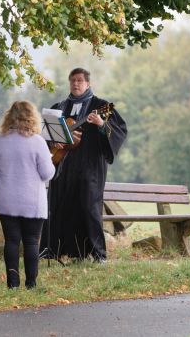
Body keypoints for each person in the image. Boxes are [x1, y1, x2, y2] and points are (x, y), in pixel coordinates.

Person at [44, 68, 128, 263]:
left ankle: (98, 254)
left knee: (89, 208)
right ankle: (66, 252)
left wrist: (100, 124)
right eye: (72, 80)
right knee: (63, 207)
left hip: (90, 166)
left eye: (80, 80)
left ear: (88, 84)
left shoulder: (102, 106)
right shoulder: (59, 107)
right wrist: (54, 142)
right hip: (64, 167)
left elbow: (119, 131)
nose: (75, 83)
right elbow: (48, 135)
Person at [0, 101, 55, 288]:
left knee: (12, 241)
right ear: (32, 118)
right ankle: (31, 283)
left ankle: (13, 283)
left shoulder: (0, 140)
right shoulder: (38, 142)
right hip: (31, 201)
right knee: (32, 242)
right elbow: (48, 174)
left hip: (6, 200)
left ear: (9, 116)